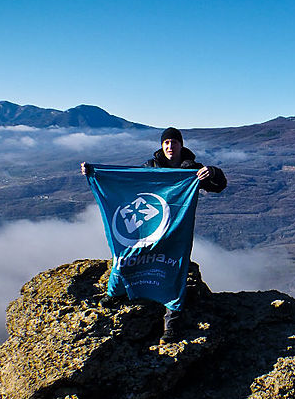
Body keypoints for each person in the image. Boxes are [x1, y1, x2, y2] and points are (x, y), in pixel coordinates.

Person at [81, 127, 226, 344]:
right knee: (127, 257)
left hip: (176, 229)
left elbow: (219, 186)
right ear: (162, 146)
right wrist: (94, 172)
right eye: (166, 142)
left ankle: (171, 321)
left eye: (174, 142)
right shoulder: (151, 167)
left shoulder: (192, 168)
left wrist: (212, 172)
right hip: (149, 227)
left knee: (174, 268)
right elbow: (129, 181)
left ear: (181, 145)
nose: (170, 146)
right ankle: (115, 294)